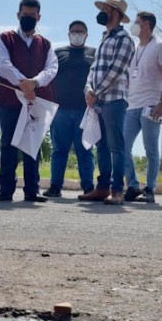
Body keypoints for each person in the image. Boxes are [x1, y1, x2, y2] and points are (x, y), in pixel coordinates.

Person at [0, 0, 58, 202]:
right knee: (8, 144)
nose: (27, 18)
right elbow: (3, 65)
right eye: (24, 15)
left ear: (38, 17)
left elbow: (52, 68)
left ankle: (32, 190)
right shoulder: (5, 38)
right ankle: (6, 189)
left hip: (35, 101)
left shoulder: (45, 44)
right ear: (18, 15)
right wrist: (23, 83)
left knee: (33, 144)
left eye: (32, 16)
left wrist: (35, 83)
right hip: (10, 99)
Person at [79, 0, 134, 205]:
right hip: (98, 100)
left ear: (116, 14)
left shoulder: (124, 39)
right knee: (100, 146)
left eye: (107, 9)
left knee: (116, 146)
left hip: (114, 100)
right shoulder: (104, 38)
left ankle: (117, 190)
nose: (102, 12)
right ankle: (102, 188)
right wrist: (88, 89)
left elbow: (117, 70)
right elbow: (93, 69)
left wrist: (96, 93)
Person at [123, 11, 162, 204]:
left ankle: (150, 189)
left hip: (151, 105)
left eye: (136, 22)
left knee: (150, 149)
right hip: (131, 106)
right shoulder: (136, 49)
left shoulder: (160, 46)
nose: (133, 25)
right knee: (123, 146)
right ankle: (133, 185)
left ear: (146, 24)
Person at [43, 20, 95, 198]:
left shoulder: (93, 54)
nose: (77, 34)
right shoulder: (58, 53)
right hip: (61, 111)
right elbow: (48, 76)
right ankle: (55, 186)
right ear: (68, 34)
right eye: (74, 31)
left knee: (85, 150)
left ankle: (88, 187)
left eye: (81, 32)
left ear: (86, 35)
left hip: (85, 111)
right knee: (59, 150)